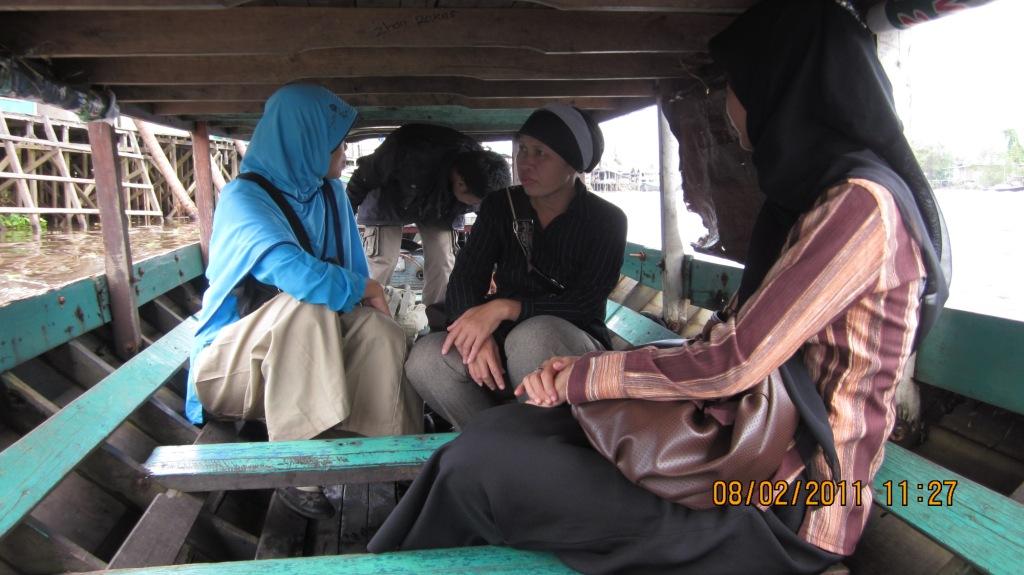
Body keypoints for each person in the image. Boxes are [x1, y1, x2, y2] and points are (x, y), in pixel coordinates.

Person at [368, 1, 951, 573]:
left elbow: (735, 359)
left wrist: (581, 375)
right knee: (497, 435)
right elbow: (736, 349)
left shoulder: (858, 209)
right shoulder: (809, 204)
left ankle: (402, 562)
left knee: (487, 466)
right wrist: (561, 364)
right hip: (737, 441)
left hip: (783, 497)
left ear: (779, 86)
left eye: (733, 85)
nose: (726, 106)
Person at [186, 84, 422, 520]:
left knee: (379, 330)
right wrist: (369, 289)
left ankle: (394, 455)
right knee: (309, 302)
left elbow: (354, 277)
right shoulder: (243, 198)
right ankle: (297, 465)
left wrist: (373, 301)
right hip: (231, 371)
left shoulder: (330, 194)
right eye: (338, 145)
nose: (345, 156)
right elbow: (297, 276)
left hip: (302, 365)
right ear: (306, 142)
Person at [403, 104, 628, 430]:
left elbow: (585, 304)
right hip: (504, 339)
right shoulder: (500, 206)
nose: (525, 162)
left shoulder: (606, 220)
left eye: (541, 153)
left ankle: (548, 444)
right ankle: (495, 440)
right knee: (426, 358)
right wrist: (476, 336)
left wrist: (505, 308)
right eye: (522, 149)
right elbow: (465, 278)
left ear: (572, 164)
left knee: (532, 335)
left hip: (570, 342)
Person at [347, 124, 512, 305]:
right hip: (388, 198)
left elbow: (492, 233)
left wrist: (491, 271)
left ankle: (436, 316)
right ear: (460, 183)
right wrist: (344, 217)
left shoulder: (482, 177)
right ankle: (370, 315)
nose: (475, 207)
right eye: (473, 202)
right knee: (383, 260)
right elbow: (362, 177)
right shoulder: (405, 154)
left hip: (442, 209)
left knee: (443, 260)